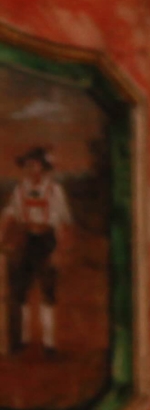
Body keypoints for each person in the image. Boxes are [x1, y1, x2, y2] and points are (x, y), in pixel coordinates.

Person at [2, 146, 72, 359]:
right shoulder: (20, 189)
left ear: (43, 167)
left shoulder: (54, 190)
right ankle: (22, 340)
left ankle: (49, 343)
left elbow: (62, 223)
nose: (31, 169)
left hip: (46, 241)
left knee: (47, 291)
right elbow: (9, 214)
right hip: (25, 241)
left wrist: (60, 250)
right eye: (28, 165)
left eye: (35, 164)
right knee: (20, 291)